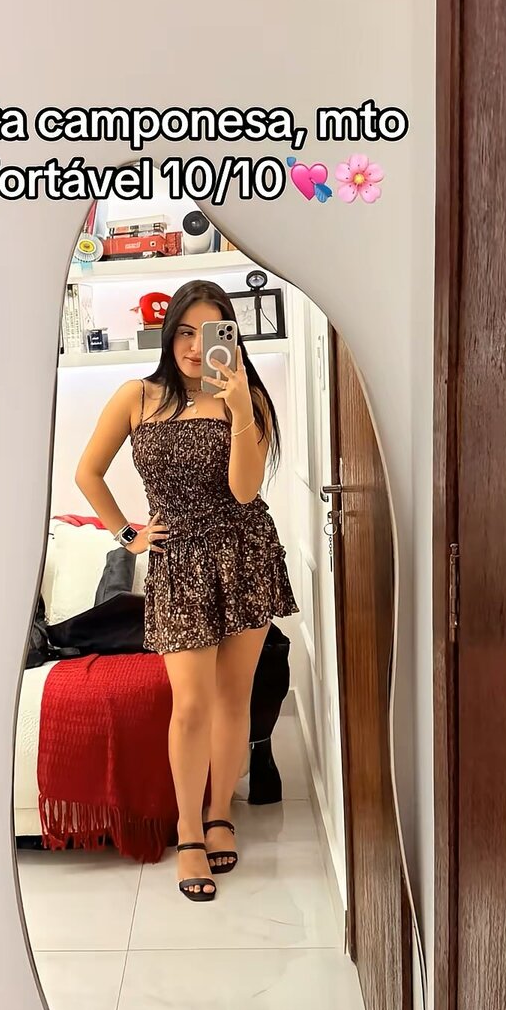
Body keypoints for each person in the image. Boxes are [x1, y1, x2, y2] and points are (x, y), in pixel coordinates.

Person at [74, 279, 298, 902]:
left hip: (244, 553)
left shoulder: (246, 397)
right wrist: (127, 535)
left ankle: (220, 813)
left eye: (211, 333)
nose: (197, 347)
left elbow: (246, 491)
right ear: (169, 333)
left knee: (233, 698)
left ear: (233, 338)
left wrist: (241, 407)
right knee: (191, 703)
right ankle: (189, 831)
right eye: (186, 332)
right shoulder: (136, 396)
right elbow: (88, 472)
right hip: (179, 563)